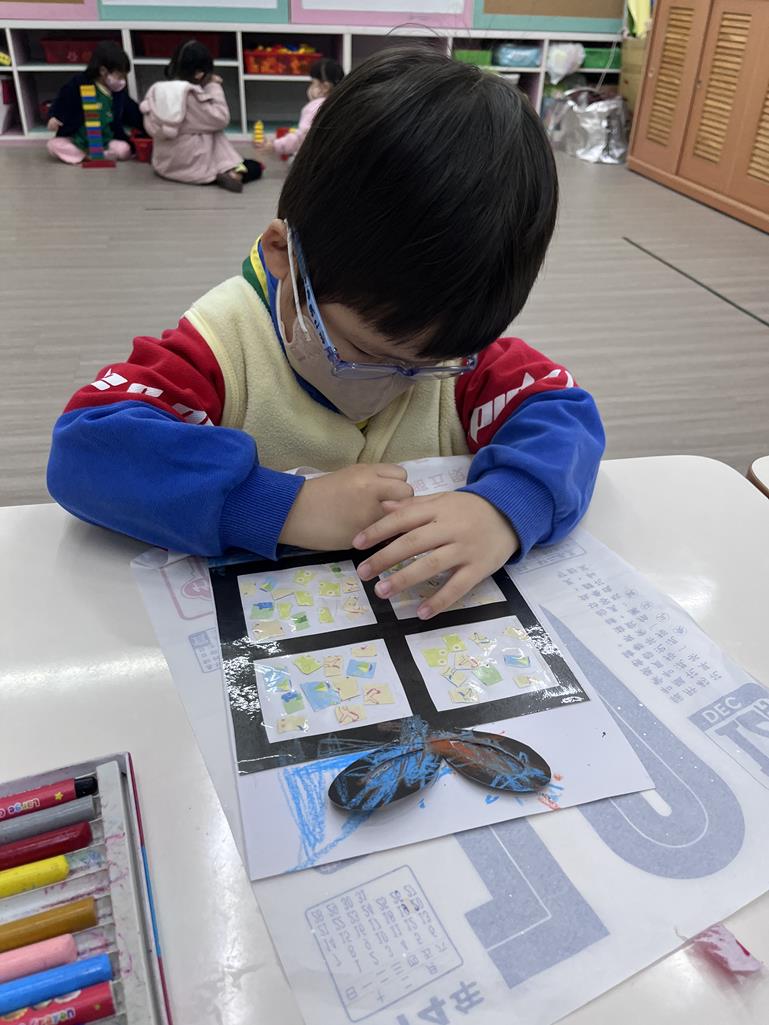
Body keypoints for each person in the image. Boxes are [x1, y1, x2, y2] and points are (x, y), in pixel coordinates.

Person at [47, 47, 605, 619]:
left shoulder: (455, 347)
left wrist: (507, 507)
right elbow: (87, 450)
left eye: (430, 366)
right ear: (284, 255)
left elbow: (563, 415)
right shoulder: (222, 345)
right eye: (364, 350)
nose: (398, 381)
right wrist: (285, 508)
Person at [141, 39, 262, 193]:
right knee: (255, 167)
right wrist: (213, 85)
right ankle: (234, 173)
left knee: (207, 132)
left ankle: (231, 169)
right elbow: (221, 118)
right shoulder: (189, 95)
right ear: (199, 73)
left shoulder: (157, 90)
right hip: (194, 166)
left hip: (165, 165)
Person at [46, 41, 142, 164]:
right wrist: (53, 117)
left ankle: (94, 155)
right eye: (119, 76)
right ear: (103, 71)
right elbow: (62, 102)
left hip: (106, 139)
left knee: (124, 150)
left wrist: (148, 126)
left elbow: (133, 112)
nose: (122, 81)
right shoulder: (79, 83)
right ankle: (88, 155)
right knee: (53, 145)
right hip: (79, 139)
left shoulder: (117, 92)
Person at [256, 57, 344, 160]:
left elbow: (301, 138)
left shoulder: (315, 107)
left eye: (313, 83)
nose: (310, 87)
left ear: (325, 87)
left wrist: (275, 145)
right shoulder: (342, 104)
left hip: (316, 161)